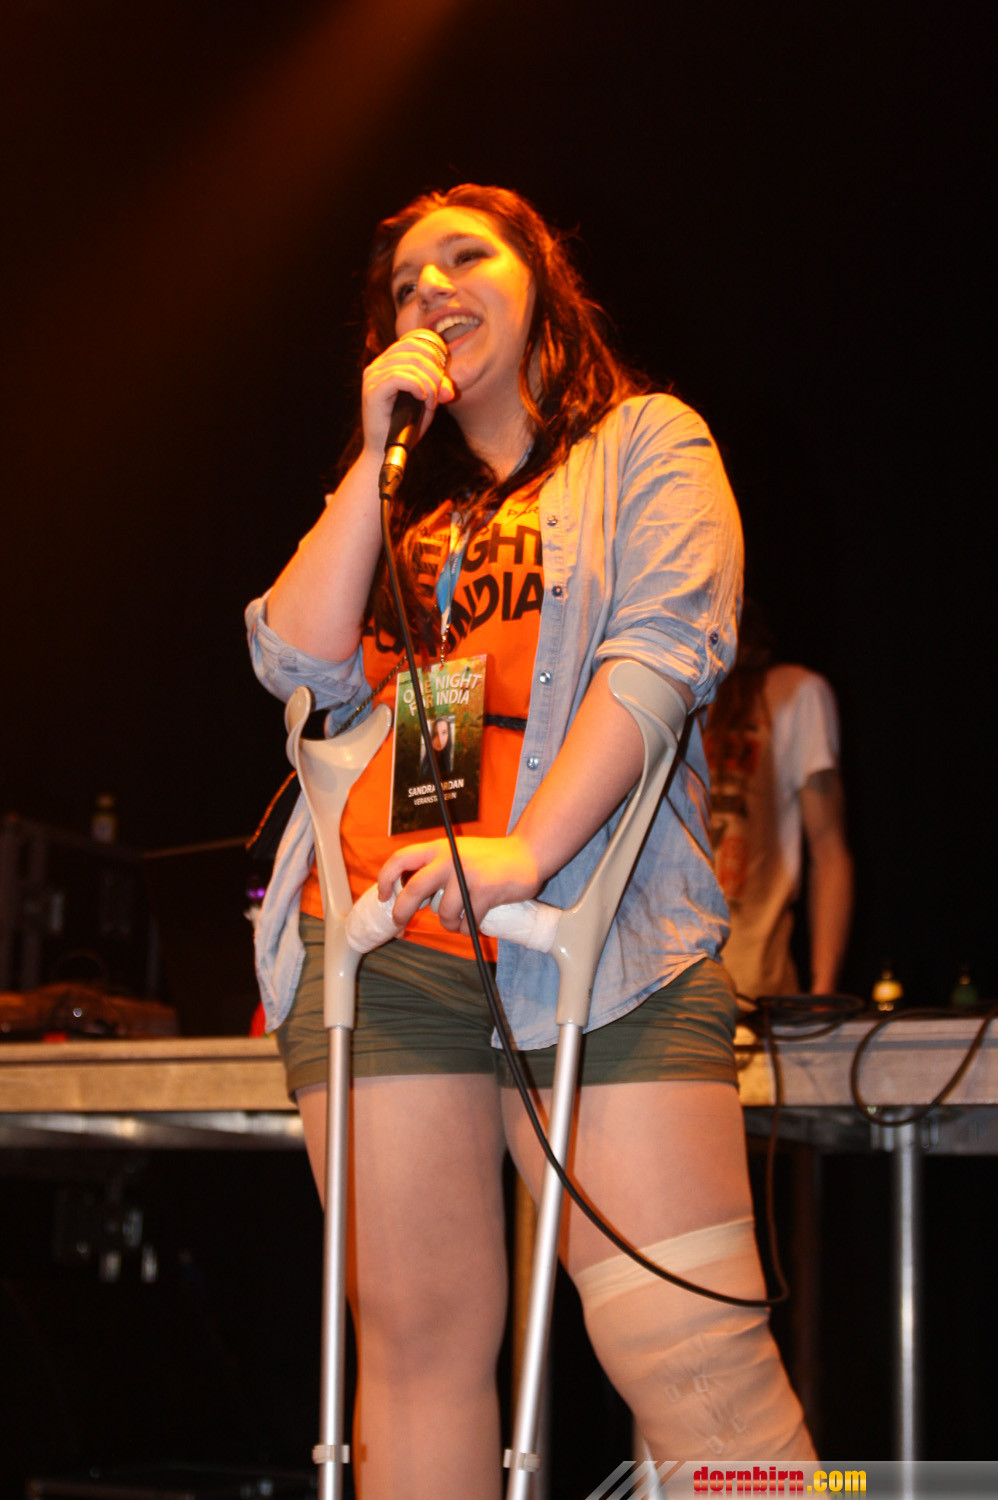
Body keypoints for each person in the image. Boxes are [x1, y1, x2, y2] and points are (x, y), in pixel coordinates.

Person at [246, 184, 814, 1497]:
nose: (429, 290)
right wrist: (373, 449)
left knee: (698, 1366)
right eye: (403, 284)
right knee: (416, 1356)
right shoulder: (411, 516)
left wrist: (525, 851)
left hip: (602, 939)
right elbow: (292, 656)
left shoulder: (647, 444)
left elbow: (661, 655)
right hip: (386, 940)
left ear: (544, 285)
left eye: (465, 257)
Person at [705, 601, 854, 1001]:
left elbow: (829, 850)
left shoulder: (796, 693)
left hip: (755, 986)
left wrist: (823, 989)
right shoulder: (678, 693)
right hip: (670, 981)